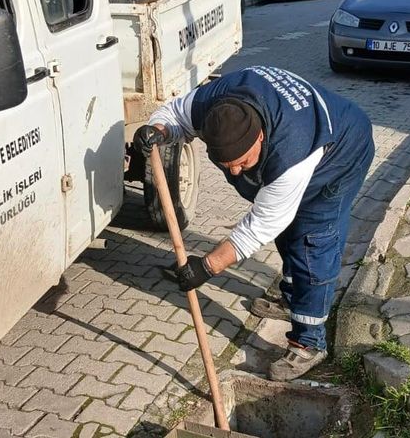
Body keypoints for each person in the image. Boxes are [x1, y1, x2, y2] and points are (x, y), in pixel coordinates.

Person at [134, 65, 374, 380]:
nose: (235, 173)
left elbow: (260, 225)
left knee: (312, 241)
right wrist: (158, 129)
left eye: (243, 162)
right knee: (288, 233)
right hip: (304, 142)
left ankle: (310, 342)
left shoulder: (293, 149)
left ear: (260, 136)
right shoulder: (214, 103)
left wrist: (207, 266)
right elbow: (176, 114)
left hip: (341, 152)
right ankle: (292, 301)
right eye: (226, 165)